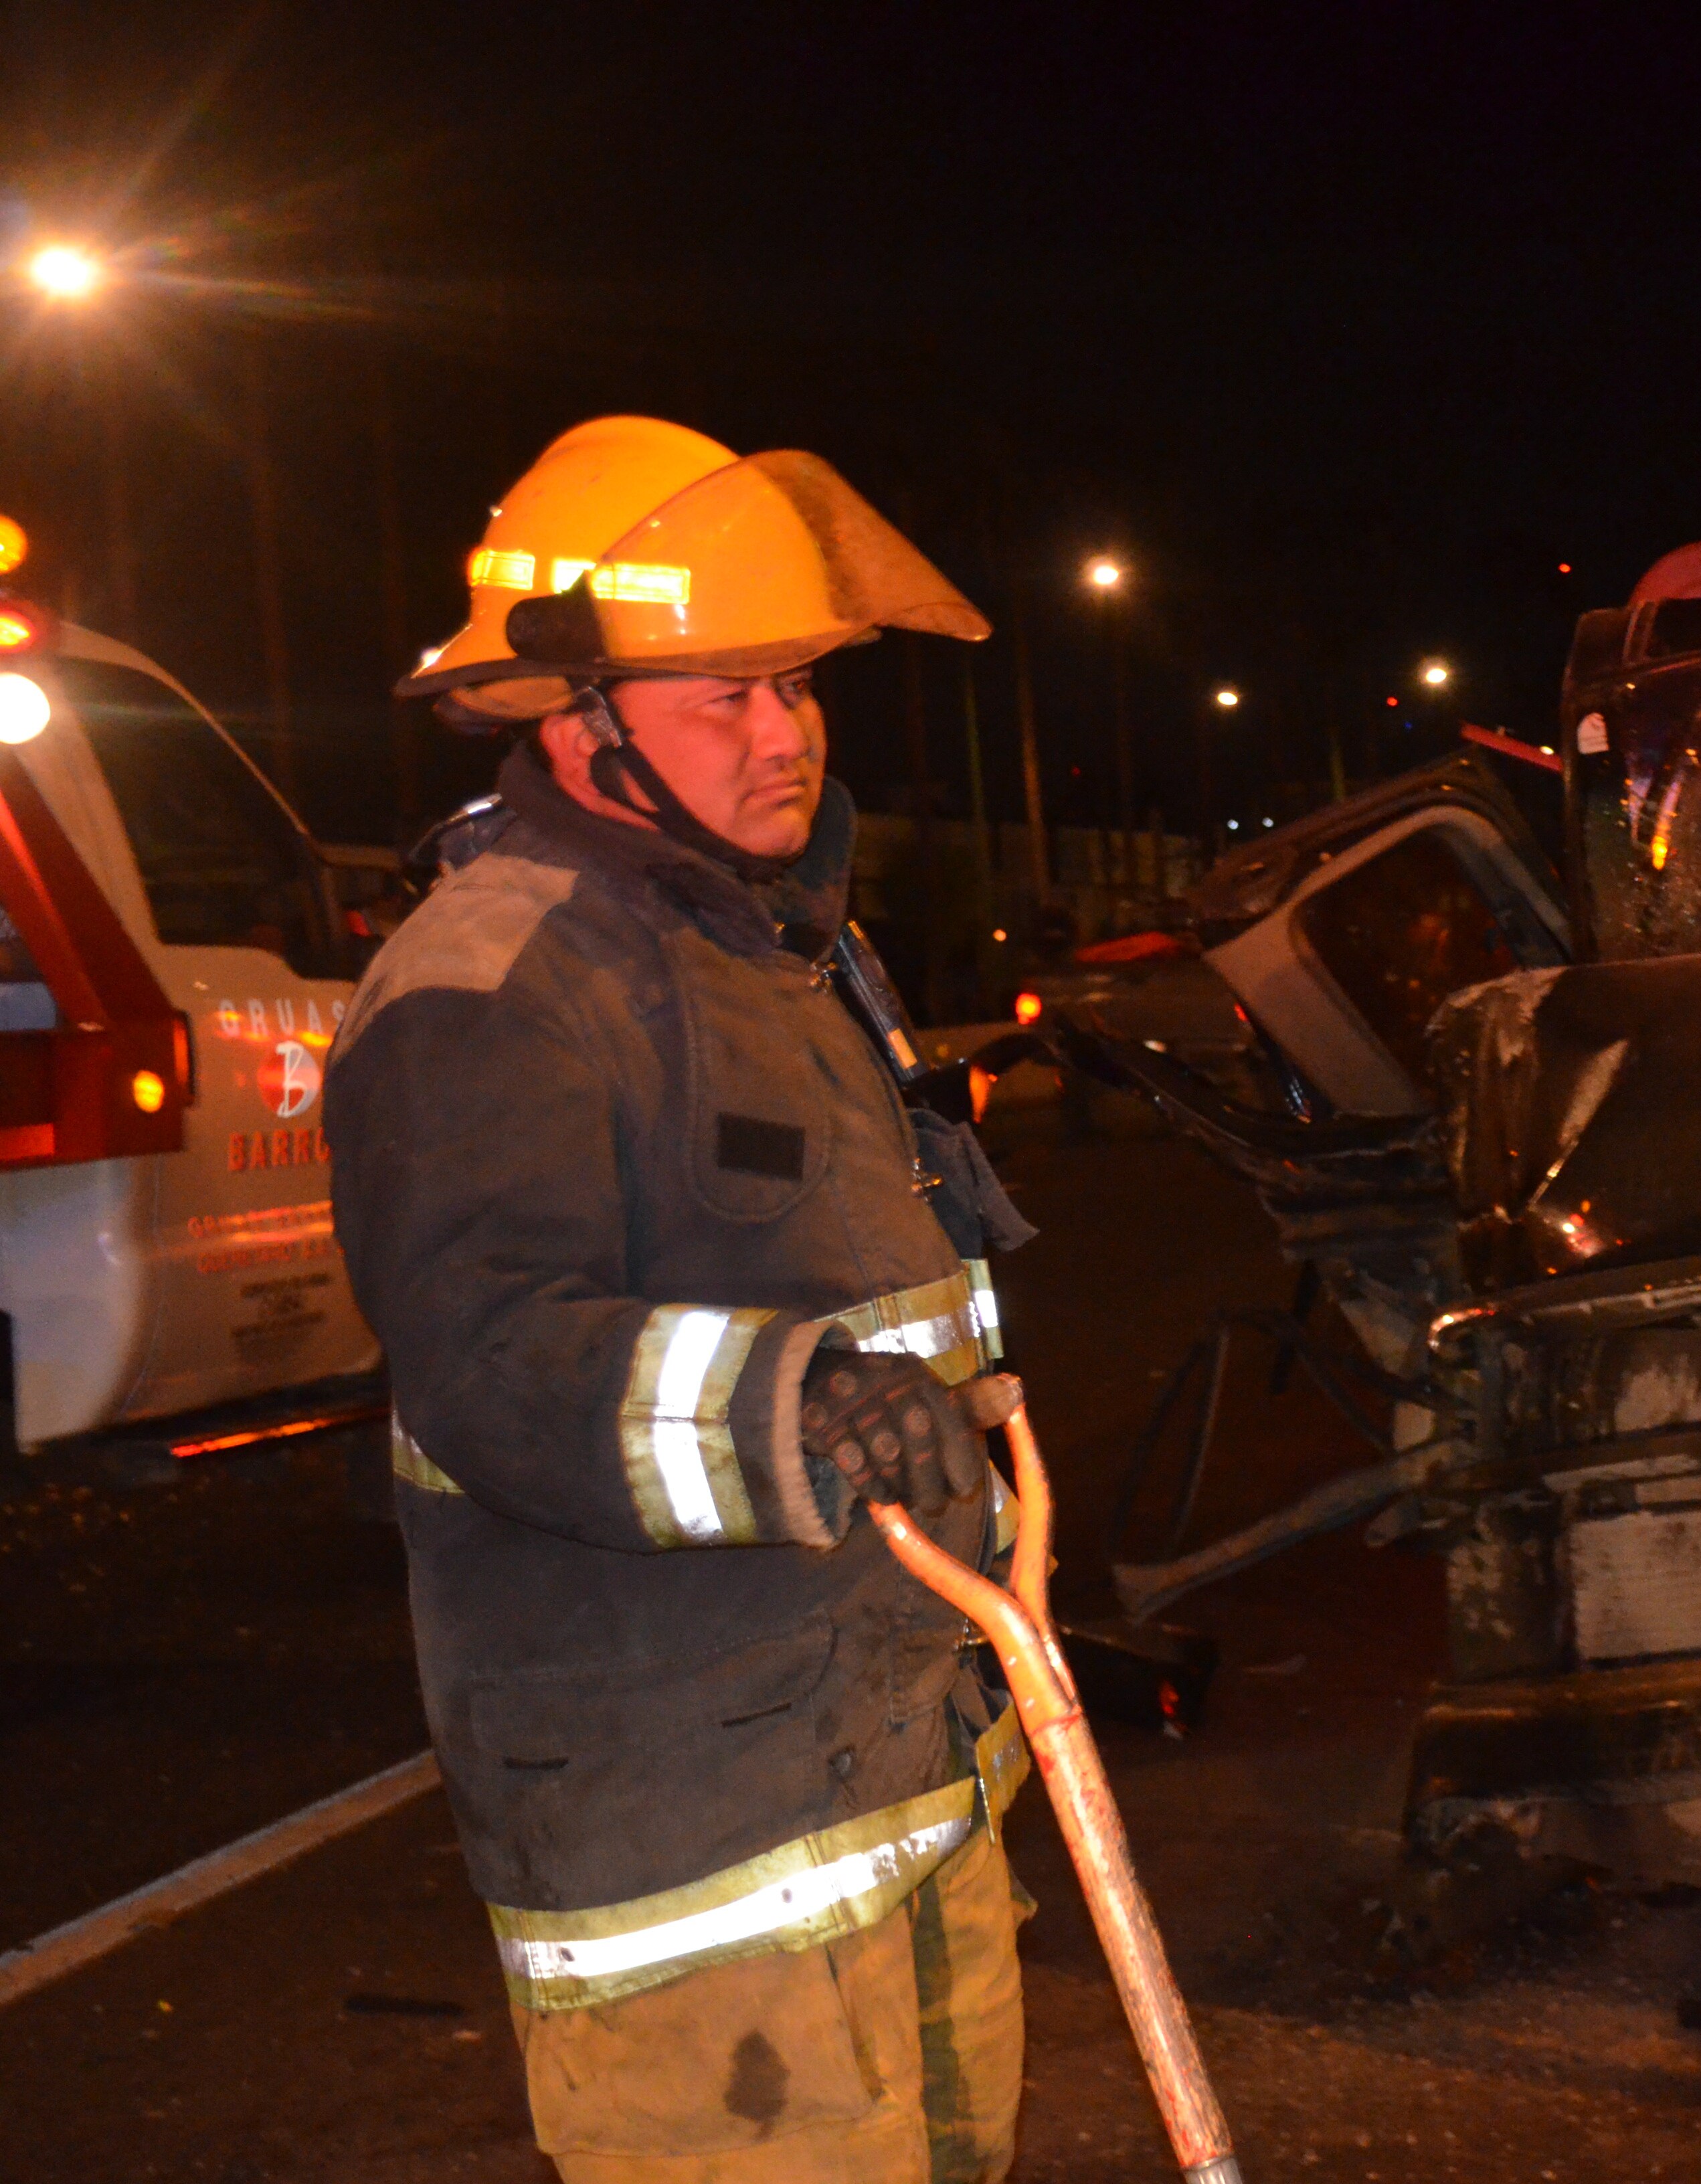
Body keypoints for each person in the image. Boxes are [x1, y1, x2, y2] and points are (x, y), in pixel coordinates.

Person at [325, 416, 1041, 2181]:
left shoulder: (776, 949)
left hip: (899, 1763)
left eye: (796, 688)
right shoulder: (493, 981)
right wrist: (793, 1411)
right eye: (724, 696)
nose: (784, 733)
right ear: (581, 728)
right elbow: (488, 1359)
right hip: (698, 1861)